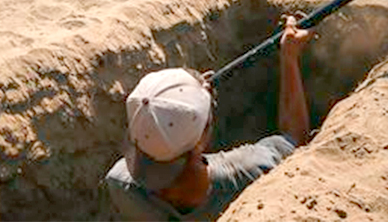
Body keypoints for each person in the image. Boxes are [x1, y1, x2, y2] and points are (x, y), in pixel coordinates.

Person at [104, 15, 315, 220]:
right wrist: (289, 58)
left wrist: (190, 100)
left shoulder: (121, 185)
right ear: (205, 135)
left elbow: (160, 133)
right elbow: (294, 141)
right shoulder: (247, 175)